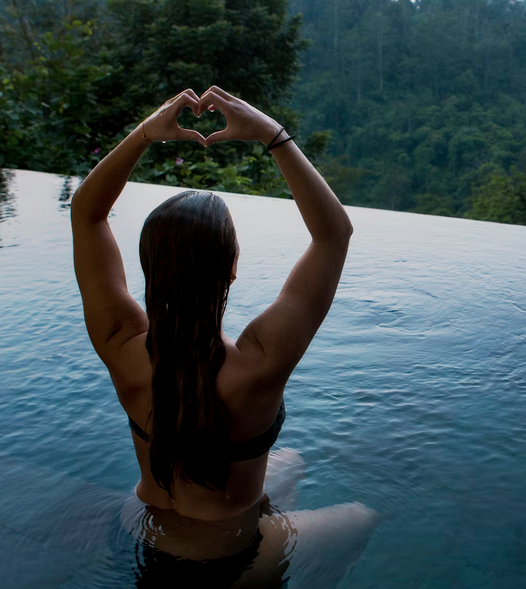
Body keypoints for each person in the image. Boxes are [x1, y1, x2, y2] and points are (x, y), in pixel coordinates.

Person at [71, 86, 378, 587]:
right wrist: (272, 135)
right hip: (224, 563)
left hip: (136, 528)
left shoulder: (121, 344)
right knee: (362, 516)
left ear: (149, 268)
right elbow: (334, 234)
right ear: (232, 269)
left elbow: (87, 213)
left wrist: (146, 133)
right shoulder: (258, 363)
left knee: (291, 462)